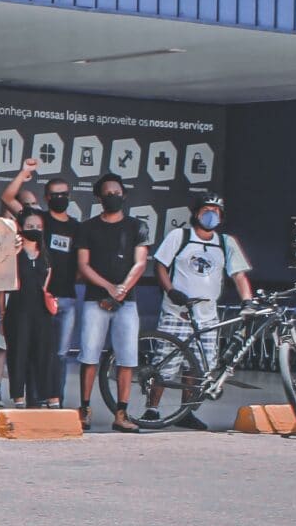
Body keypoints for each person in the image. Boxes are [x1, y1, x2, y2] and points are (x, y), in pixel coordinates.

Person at [146, 193, 252, 423]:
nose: (211, 215)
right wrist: (170, 290)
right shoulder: (180, 236)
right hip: (177, 312)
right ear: (196, 213)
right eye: (206, 210)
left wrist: (247, 301)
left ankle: (187, 411)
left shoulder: (225, 243)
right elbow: (161, 265)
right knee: (165, 363)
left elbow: (239, 274)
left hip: (207, 315)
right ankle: (152, 408)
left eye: (216, 211)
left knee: (197, 367)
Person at [75, 172, 151, 432]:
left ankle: (121, 413)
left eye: (117, 193)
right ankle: (84, 409)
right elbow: (83, 265)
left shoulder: (137, 227)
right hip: (95, 301)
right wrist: (108, 288)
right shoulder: (87, 227)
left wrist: (121, 291)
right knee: (89, 356)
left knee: (127, 359)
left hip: (127, 303)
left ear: (125, 195)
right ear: (98, 197)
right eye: (108, 193)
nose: (113, 197)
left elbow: (140, 263)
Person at [5, 212, 61, 408]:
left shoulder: (47, 255)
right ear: (21, 227)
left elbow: (51, 283)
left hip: (42, 312)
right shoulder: (13, 253)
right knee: (18, 353)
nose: (35, 230)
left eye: (38, 226)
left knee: (46, 354)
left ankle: (51, 397)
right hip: (18, 311)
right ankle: (18, 398)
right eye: (30, 226)